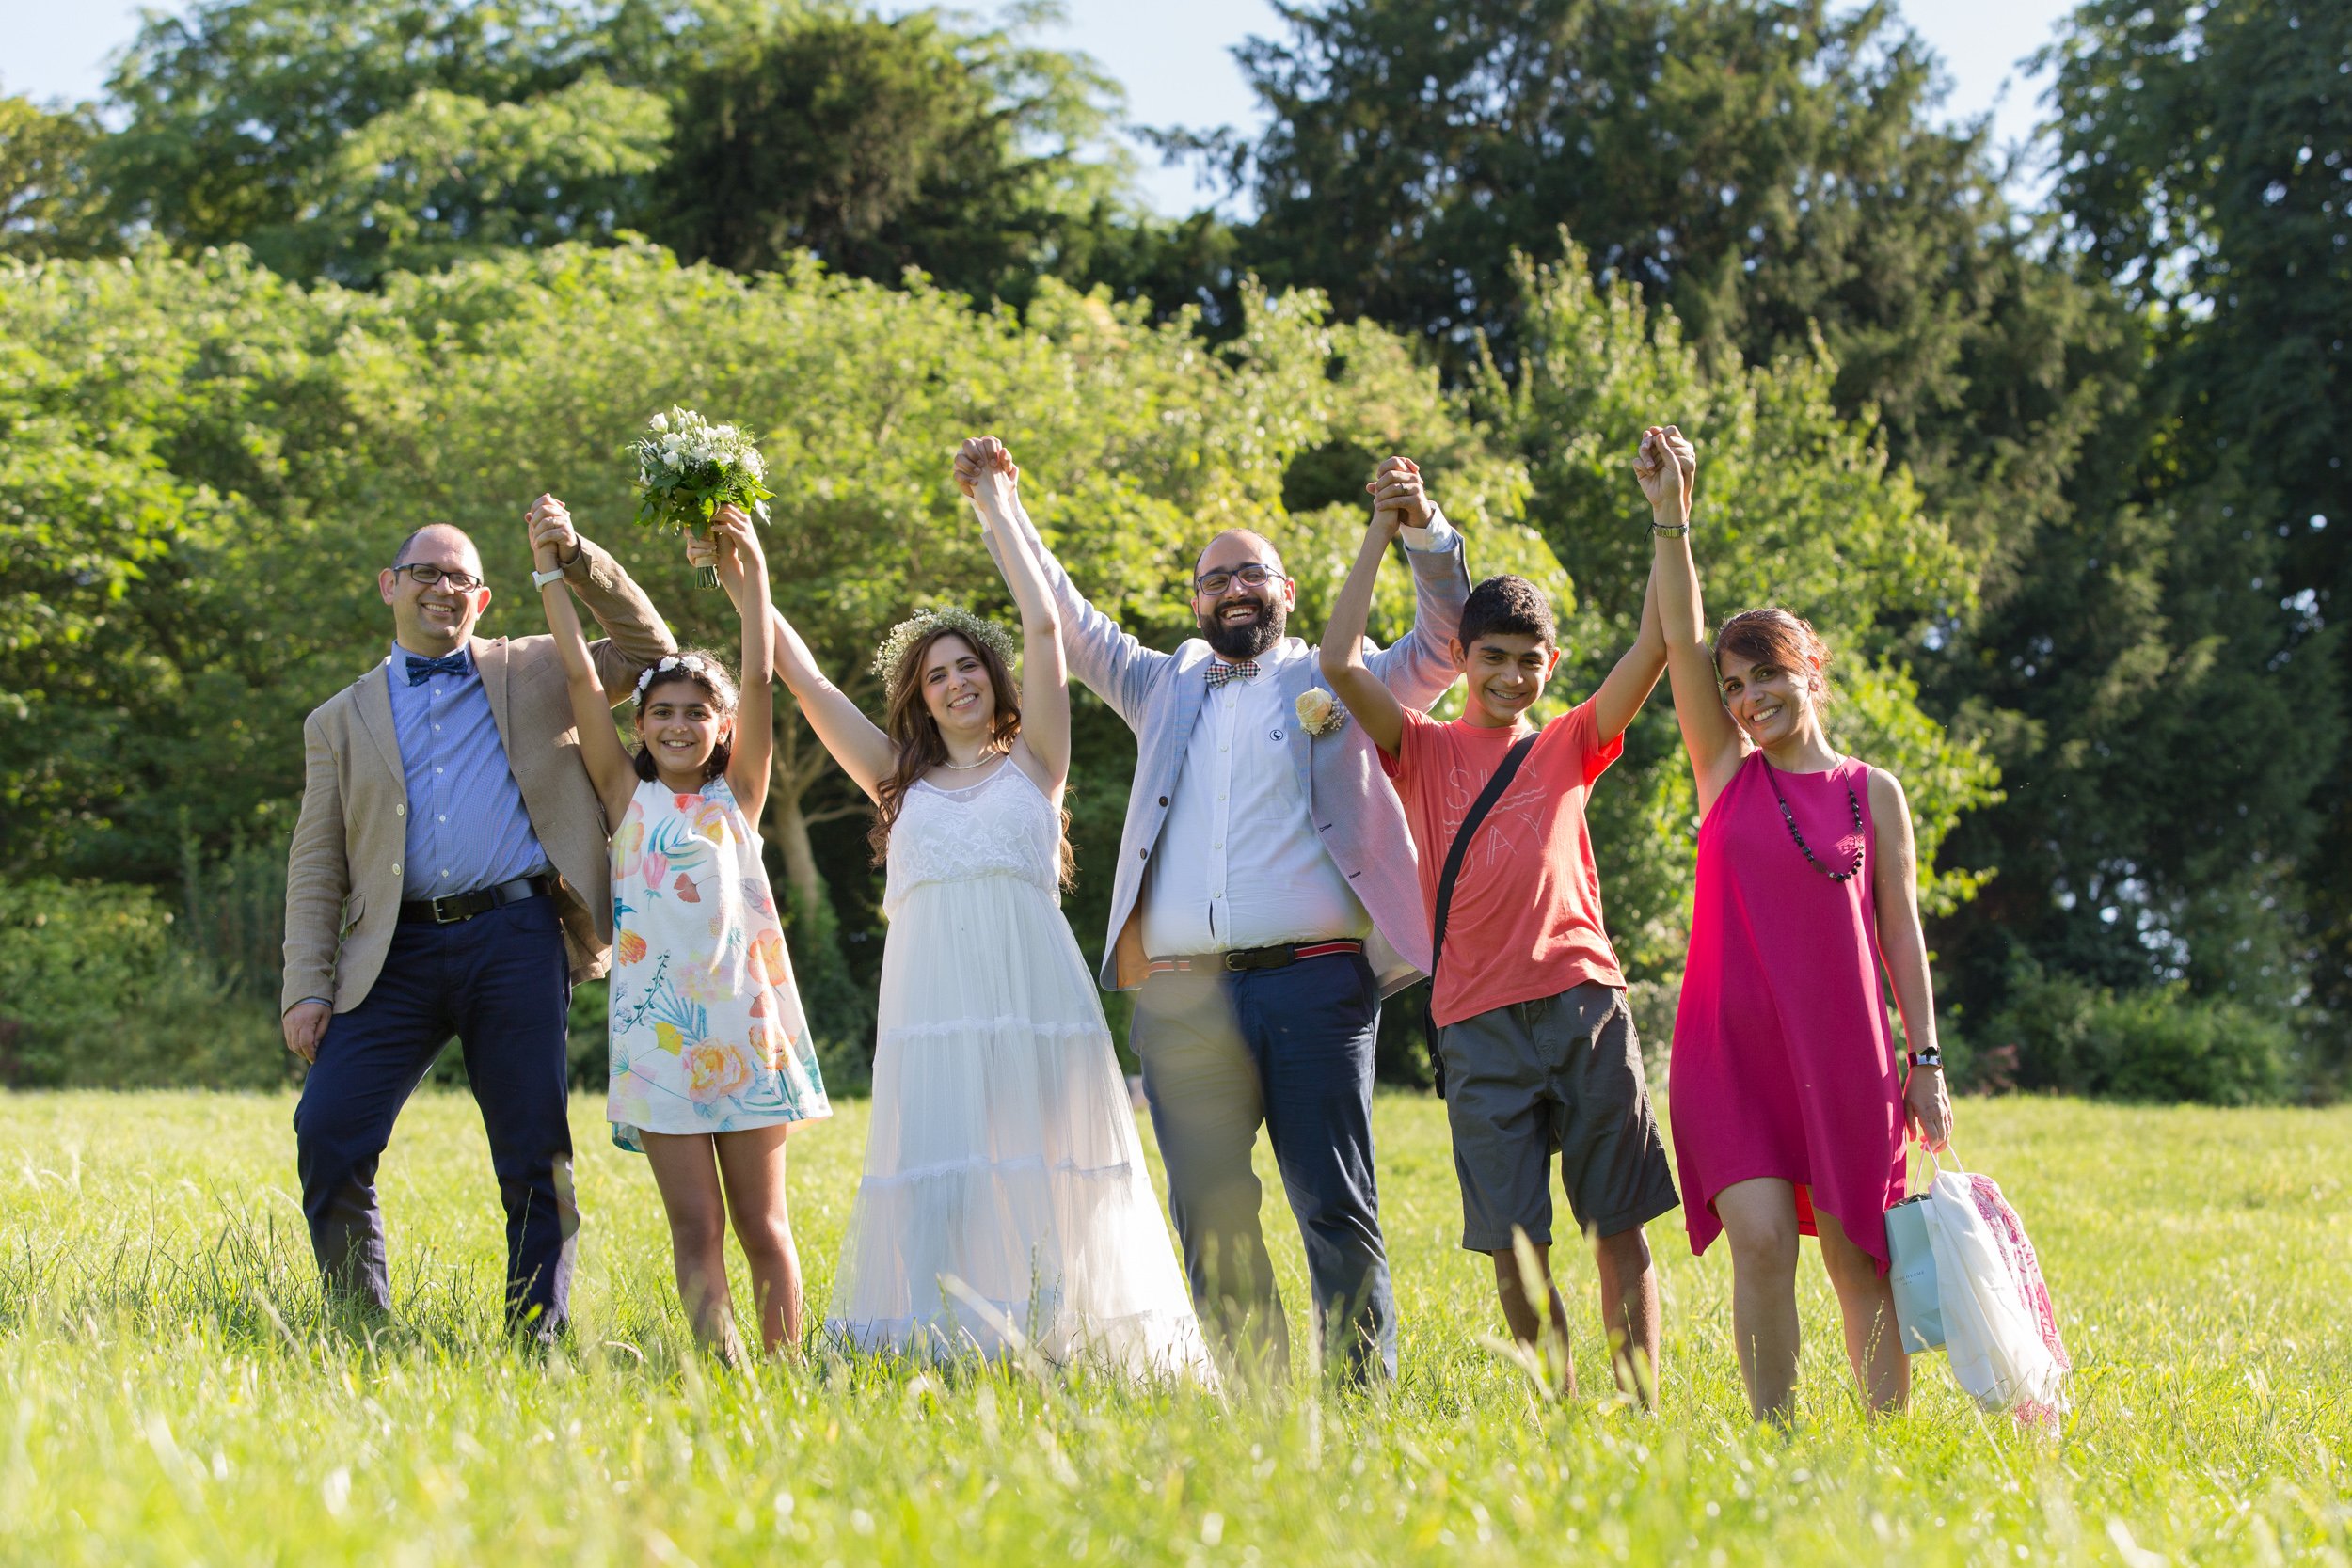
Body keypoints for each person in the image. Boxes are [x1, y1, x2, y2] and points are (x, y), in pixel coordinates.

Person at [952, 438, 1473, 1387]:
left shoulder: (1338, 679)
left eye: (1250, 572)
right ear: (1194, 602)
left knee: (1331, 1196)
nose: (1232, 587)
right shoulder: (1162, 683)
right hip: (1185, 995)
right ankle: (1256, 1393)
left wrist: (1422, 528)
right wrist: (999, 504)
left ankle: (1361, 1390)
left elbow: (1445, 640)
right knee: (1206, 1202)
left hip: (1316, 979)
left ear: (1283, 589)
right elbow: (1063, 617)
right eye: (1213, 577)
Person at [685, 476, 1212, 1380]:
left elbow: (1047, 627)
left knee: (1052, 1166)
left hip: (1034, 997)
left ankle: (1066, 1339)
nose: (956, 680)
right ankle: (950, 1343)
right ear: (919, 700)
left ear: (993, 680)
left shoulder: (1037, 761)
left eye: (968, 665)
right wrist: (748, 580)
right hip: (933, 1004)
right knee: (950, 1169)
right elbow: (802, 679)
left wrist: (1000, 506)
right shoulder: (898, 780)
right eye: (936, 675)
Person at [281, 499, 675, 1339]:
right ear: (390, 585)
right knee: (328, 1129)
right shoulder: (337, 720)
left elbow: (654, 653)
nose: (443, 587)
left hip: (517, 936)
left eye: (461, 576)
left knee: (535, 1150)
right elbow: (317, 864)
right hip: (393, 951)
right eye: (425, 571)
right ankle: (361, 1327)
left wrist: (574, 557)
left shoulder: (535, 667)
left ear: (483, 599)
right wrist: (303, 987)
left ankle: (537, 1332)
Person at [1318, 492, 1678, 1405]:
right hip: (1475, 1024)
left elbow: (1656, 645)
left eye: (1528, 661)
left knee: (1617, 1228)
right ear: (1463, 659)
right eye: (1493, 659)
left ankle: (1640, 1407)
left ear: (1550, 664)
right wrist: (1379, 529)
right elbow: (1335, 660)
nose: (1511, 676)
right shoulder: (1421, 747)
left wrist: (1666, 516)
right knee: (1515, 1247)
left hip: (1584, 1001)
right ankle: (1557, 1411)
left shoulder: (1571, 741)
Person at [1642, 422, 1955, 1423]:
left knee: (1863, 1251)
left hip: (1848, 1049)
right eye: (1733, 686)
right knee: (1763, 1240)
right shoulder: (1724, 773)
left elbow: (1900, 935)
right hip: (1728, 1050)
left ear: (1807, 671)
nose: (1745, 699)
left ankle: (1886, 1440)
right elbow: (1682, 640)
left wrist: (1927, 1058)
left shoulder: (1875, 793)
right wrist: (1671, 519)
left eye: (1764, 675)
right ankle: (1773, 1444)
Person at [538, 504, 830, 1363]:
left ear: (721, 725)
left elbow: (761, 677)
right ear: (641, 725)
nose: (675, 724)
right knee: (694, 1222)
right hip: (658, 1041)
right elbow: (581, 678)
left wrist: (753, 572)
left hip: (747, 1031)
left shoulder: (737, 796)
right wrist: (552, 573)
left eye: (694, 712)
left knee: (763, 1223)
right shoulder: (628, 800)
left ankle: (782, 1371)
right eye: (661, 711)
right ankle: (723, 1371)